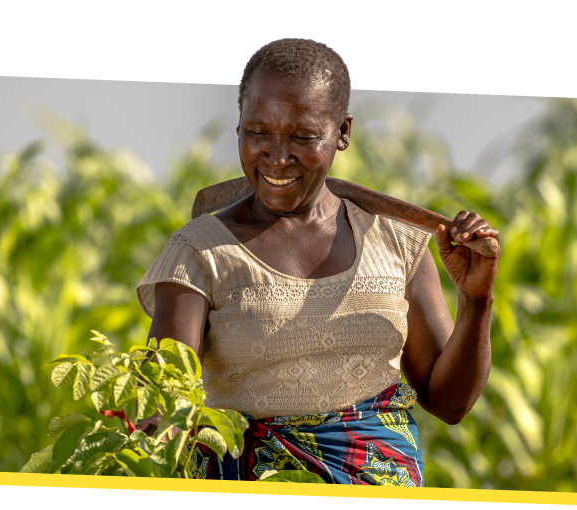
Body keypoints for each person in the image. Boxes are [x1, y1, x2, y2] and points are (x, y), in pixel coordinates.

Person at [133, 38, 500, 486]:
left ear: (342, 132)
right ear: (239, 126)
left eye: (302, 137)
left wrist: (476, 300)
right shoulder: (199, 252)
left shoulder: (397, 242)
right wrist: (149, 427)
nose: (277, 157)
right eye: (258, 132)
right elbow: (162, 404)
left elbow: (449, 404)